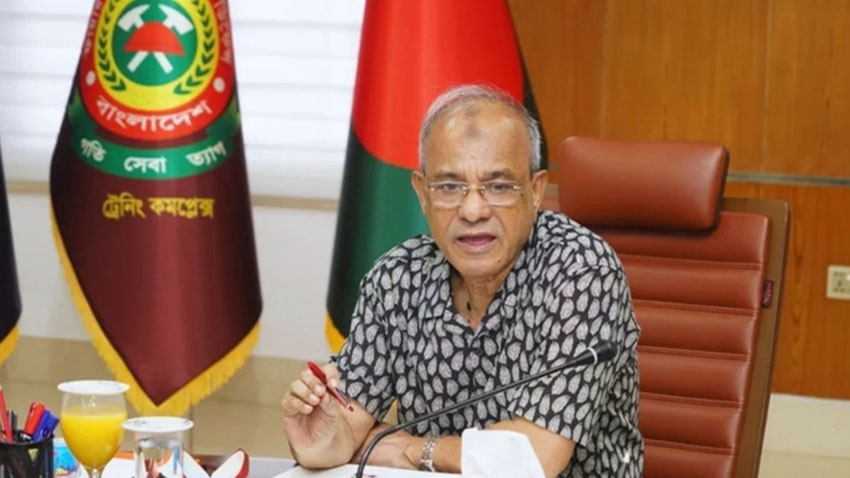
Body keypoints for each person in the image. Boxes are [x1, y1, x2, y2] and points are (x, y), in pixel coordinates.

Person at [281, 85, 644, 478]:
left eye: (499, 186)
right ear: (422, 193)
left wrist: (412, 449)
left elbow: (533, 460)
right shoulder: (397, 278)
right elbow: (346, 432)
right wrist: (319, 438)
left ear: (536, 191)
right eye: (449, 187)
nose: (473, 210)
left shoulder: (580, 270)